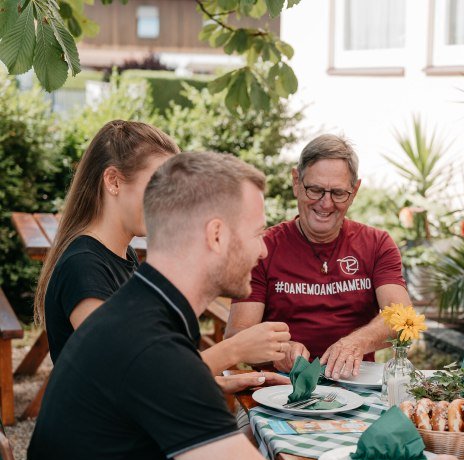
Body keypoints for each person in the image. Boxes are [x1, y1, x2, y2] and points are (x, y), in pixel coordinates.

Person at [23, 151, 459, 460]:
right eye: (255, 233)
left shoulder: (140, 314)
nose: (264, 247)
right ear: (216, 235)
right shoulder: (155, 351)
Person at [33, 120, 290, 392]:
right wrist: (234, 349)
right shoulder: (83, 265)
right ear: (113, 181)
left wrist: (213, 383)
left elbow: (147, 366)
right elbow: (127, 374)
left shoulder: (124, 256)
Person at [226, 134, 411, 379]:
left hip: (355, 386)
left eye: (338, 193)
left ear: (354, 191)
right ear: (296, 181)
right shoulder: (263, 248)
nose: (325, 204)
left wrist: (356, 343)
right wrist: (278, 351)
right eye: (315, 190)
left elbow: (404, 319)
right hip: (275, 390)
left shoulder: (377, 245)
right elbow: (237, 334)